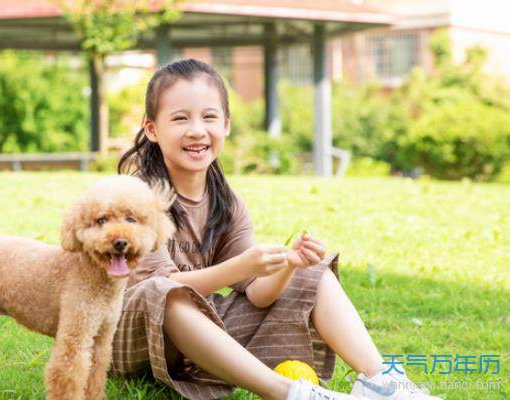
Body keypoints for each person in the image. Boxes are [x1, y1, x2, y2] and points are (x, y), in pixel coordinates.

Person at [110, 58, 439, 400]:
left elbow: (256, 292)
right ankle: (291, 394)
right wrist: (240, 266)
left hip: (197, 342)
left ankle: (380, 381)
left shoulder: (225, 201)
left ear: (226, 125)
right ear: (152, 129)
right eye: (180, 118)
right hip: (133, 339)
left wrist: (289, 266)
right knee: (166, 293)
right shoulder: (136, 198)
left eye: (209, 117)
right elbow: (159, 287)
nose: (197, 130)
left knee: (312, 274)